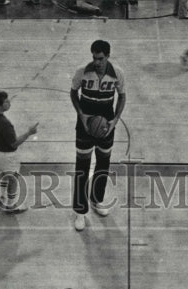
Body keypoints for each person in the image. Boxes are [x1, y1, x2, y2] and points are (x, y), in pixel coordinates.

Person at [71, 40, 126, 231]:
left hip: (106, 125)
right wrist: (81, 114)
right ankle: (80, 210)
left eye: (100, 58)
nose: (96, 62)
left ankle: (96, 200)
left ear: (108, 56)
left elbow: (122, 96)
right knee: (82, 167)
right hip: (85, 125)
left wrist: (115, 120)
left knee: (103, 164)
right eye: (94, 57)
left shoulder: (117, 73)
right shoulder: (82, 71)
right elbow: (73, 93)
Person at [0, 91, 39, 213]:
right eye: (6, 101)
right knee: (13, 179)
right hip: (7, 156)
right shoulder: (4, 123)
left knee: (3, 174)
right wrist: (29, 133)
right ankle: (11, 204)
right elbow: (14, 143)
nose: (9, 102)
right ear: (0, 105)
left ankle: (2, 196)